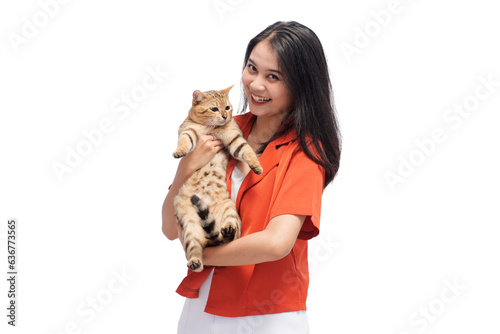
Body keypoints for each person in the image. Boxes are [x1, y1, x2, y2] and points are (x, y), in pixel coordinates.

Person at [162, 21, 341, 334]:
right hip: (200, 308)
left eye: (273, 77)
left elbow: (276, 242)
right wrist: (186, 166)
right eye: (252, 68)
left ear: (301, 85)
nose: (256, 84)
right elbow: (168, 227)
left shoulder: (306, 151)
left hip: (267, 317)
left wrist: (201, 254)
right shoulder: (218, 130)